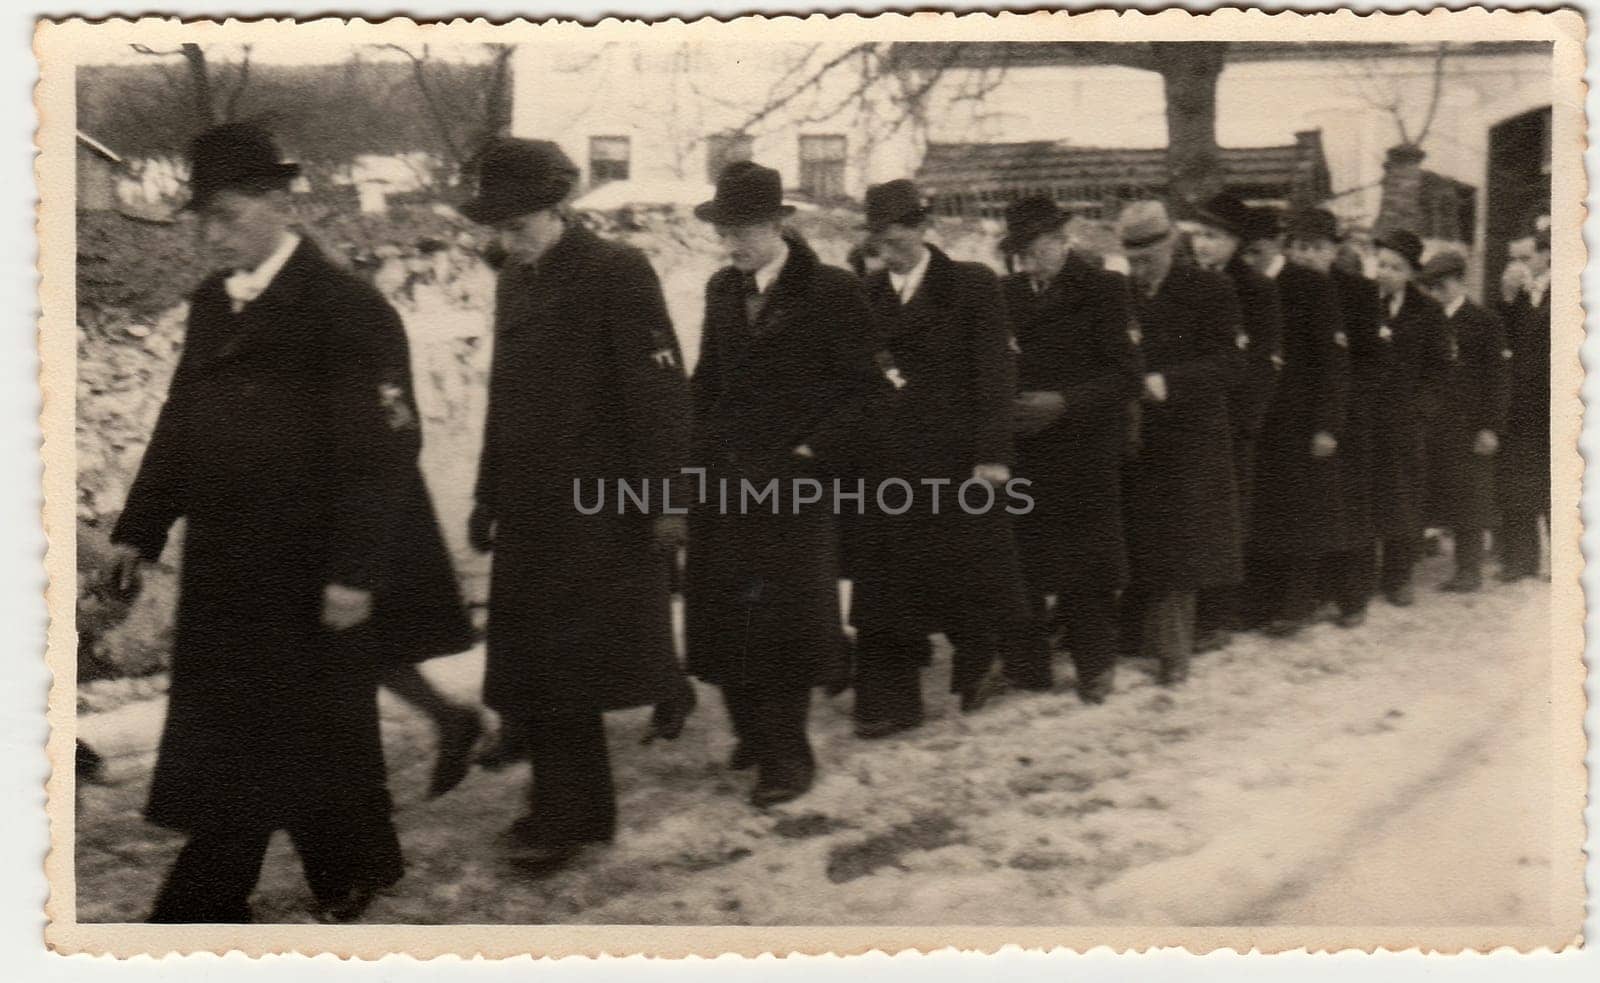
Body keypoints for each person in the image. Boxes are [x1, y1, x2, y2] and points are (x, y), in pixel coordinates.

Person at [105, 123, 472, 923]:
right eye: (202, 217)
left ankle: (203, 903)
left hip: (309, 564)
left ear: (277, 204)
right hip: (228, 561)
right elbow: (181, 420)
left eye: (227, 214)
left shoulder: (345, 307)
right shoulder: (214, 304)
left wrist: (356, 571)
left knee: (264, 729)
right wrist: (141, 526)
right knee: (304, 727)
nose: (211, 232)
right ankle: (354, 865)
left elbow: (384, 450)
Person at [462, 138, 698, 871]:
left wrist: (665, 498)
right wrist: (486, 492)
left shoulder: (616, 272)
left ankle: (569, 818)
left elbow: (659, 393)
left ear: (555, 208)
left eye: (518, 223)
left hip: (598, 507)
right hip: (532, 507)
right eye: (498, 227)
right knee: (538, 666)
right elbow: (504, 398)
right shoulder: (516, 281)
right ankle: (573, 810)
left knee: (569, 670)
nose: (507, 238)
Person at [685, 161, 881, 806]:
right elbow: (707, 381)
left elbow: (866, 393)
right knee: (725, 613)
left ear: (777, 225)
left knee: (783, 623)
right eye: (724, 230)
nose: (732, 242)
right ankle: (753, 731)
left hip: (796, 486)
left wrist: (810, 452)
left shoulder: (831, 290)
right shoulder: (721, 289)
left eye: (743, 229)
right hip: (726, 480)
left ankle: (787, 755)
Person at [848, 179, 1027, 735]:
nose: (890, 249)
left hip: (954, 458)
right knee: (884, 580)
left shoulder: (971, 285)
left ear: (924, 230)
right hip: (886, 463)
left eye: (899, 237)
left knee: (964, 573)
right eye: (880, 240)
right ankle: (888, 702)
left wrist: (993, 455)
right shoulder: (867, 293)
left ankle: (982, 664)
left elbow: (995, 374)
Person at [1001, 195, 1142, 704]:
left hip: (1083, 446)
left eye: (1037, 247)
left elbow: (1126, 376)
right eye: (1019, 250)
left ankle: (1095, 665)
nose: (1028, 259)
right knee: (1023, 559)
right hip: (1025, 444)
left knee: (1087, 566)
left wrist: (1065, 402)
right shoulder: (1007, 293)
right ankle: (1028, 665)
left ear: (1063, 241)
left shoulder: (1105, 289)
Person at [1116, 201, 1244, 685]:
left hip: (1190, 435)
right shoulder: (1123, 292)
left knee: (1180, 542)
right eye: (1132, 257)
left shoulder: (1209, 289)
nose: (1138, 266)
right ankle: (1138, 637)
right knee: (1140, 536)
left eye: (1147, 256)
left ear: (1169, 246)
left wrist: (1169, 381)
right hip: (1135, 434)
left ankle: (1173, 651)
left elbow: (1232, 363)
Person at [1238, 206, 1350, 636]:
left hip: (1300, 418)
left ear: (1275, 246)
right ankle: (1260, 602)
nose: (1251, 258)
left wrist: (1327, 425)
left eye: (1258, 250)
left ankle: (1298, 602)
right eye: (1246, 252)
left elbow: (1334, 362)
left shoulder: (1309, 285)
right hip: (1260, 417)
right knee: (1262, 511)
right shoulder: (1246, 286)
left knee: (1300, 514)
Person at [1187, 193, 1284, 649]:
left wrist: (1248, 419)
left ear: (1235, 242)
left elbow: (1262, 361)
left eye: (1213, 236)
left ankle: (1220, 614)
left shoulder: (1256, 289)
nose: (1202, 245)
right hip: (1189, 417)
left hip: (1232, 419)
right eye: (1198, 235)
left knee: (1229, 517)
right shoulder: (1185, 281)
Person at [1285, 208, 1382, 628]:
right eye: (1300, 247)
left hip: (1346, 418)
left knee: (1348, 511)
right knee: (1305, 511)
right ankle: (1300, 602)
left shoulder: (1358, 292)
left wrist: (1340, 414)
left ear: (1334, 250)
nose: (1307, 256)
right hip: (1299, 416)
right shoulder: (1285, 288)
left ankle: (1352, 598)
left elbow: (1371, 361)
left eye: (1317, 248)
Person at [1414, 250, 1511, 592]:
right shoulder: (1425, 319)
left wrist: (1491, 427)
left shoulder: (1484, 321)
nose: (1436, 293)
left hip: (1470, 424)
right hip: (1430, 422)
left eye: (1442, 285)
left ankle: (1469, 569)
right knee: (1429, 490)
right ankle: (1416, 557)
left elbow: (1498, 379)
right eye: (1431, 287)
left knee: (1470, 498)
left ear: (1459, 282)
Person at [1369, 229, 1450, 606]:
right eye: (1381, 264)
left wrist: (1420, 412)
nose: (1385, 273)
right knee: (1364, 496)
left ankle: (1398, 576)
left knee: (1402, 499)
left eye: (1394, 267)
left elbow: (1439, 370)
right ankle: (1362, 575)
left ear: (1410, 273)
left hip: (1405, 423)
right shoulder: (1362, 304)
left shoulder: (1428, 311)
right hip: (1364, 419)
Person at [1496, 228, 1551, 582]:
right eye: (1512, 259)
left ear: (1549, 256)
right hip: (1521, 401)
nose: (1517, 266)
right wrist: (1508, 295)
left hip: (1555, 401)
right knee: (1518, 479)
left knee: (1558, 481)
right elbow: (1503, 339)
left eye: (1525, 258)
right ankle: (1520, 560)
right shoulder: (1516, 295)